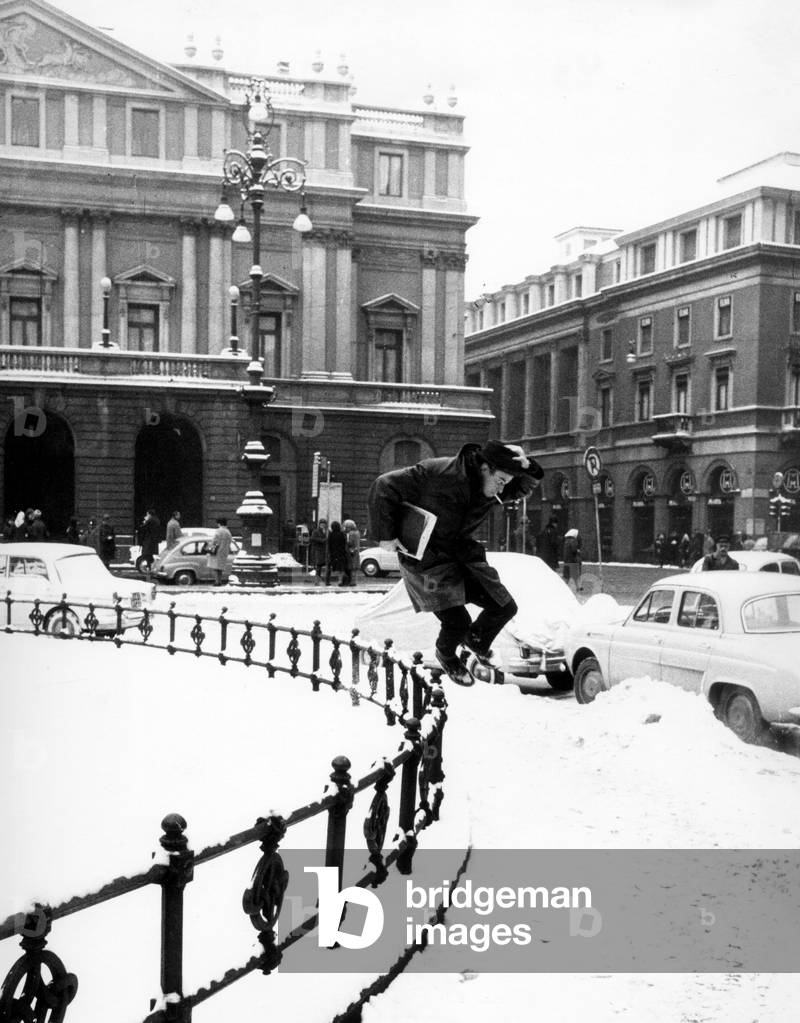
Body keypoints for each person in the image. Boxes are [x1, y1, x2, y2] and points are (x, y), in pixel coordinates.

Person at [367, 440, 543, 685]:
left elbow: (520, 487)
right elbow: (384, 485)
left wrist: (529, 467)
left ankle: (476, 642)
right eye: (501, 481)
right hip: (427, 563)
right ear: (485, 468)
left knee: (504, 606)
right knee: (458, 622)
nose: (502, 490)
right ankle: (446, 654)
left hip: (461, 556)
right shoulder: (438, 473)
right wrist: (385, 535)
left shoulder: (491, 485)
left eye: (506, 483)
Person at [208, 517, 233, 585]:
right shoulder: (228, 531)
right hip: (225, 551)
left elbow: (214, 540)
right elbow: (230, 541)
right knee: (220, 567)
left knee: (215, 567)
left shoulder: (219, 531)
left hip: (217, 551)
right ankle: (220, 580)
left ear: (219, 523)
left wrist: (210, 546)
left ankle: (217, 581)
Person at [325, 521, 347, 585]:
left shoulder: (331, 534)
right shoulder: (341, 534)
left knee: (330, 566)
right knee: (341, 568)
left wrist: (329, 552)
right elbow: (344, 543)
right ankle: (340, 580)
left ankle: (327, 581)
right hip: (341, 553)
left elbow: (329, 544)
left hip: (333, 553)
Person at [341, 518, 361, 587]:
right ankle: (354, 581)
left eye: (346, 527)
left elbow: (350, 543)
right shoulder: (357, 532)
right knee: (354, 569)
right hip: (356, 552)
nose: (346, 529)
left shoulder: (351, 534)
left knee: (351, 568)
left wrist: (345, 542)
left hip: (351, 553)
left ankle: (352, 582)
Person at [309, 518, 329, 585]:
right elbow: (313, 539)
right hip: (319, 551)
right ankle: (317, 581)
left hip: (326, 551)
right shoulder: (316, 531)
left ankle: (327, 581)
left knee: (328, 566)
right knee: (319, 566)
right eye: (321, 524)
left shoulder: (327, 531)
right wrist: (322, 540)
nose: (323, 525)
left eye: (324, 524)